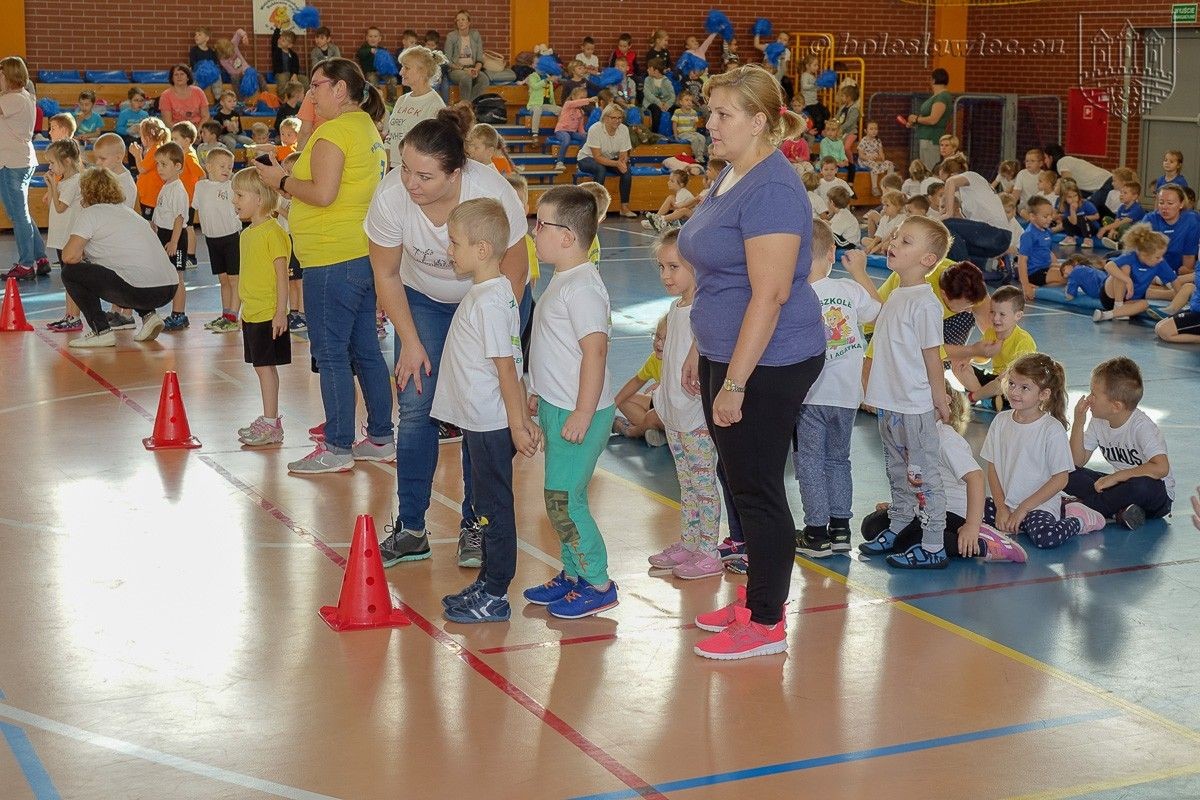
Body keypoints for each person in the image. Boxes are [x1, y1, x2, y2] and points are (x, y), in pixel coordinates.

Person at [676, 65, 823, 660]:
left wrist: (734, 380)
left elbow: (770, 294)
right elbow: (717, 276)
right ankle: (757, 597)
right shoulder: (734, 176)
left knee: (757, 489)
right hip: (727, 352)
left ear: (760, 121)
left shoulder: (773, 190)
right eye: (710, 113)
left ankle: (766, 623)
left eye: (723, 115)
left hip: (770, 360)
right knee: (739, 483)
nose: (709, 124)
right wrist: (701, 349)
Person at [366, 106, 530, 566]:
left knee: (482, 413)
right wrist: (412, 341)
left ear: (457, 174)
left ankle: (476, 527)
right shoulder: (391, 198)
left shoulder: (491, 191)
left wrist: (494, 330)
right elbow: (387, 272)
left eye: (425, 176)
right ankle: (412, 527)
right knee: (417, 407)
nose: (411, 184)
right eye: (405, 170)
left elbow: (515, 270)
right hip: (422, 301)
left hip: (488, 297)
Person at [253, 57, 394, 474]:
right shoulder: (366, 128)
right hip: (360, 252)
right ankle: (381, 437)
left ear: (341, 89)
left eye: (317, 85)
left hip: (332, 258)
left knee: (332, 353)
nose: (311, 92)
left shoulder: (334, 131)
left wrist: (279, 180)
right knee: (365, 349)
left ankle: (337, 446)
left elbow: (324, 192)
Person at [438, 198, 542, 623]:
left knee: (495, 507)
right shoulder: (487, 293)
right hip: (480, 420)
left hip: (492, 423)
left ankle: (496, 592)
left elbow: (506, 365)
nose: (449, 250)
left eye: (454, 242)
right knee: (484, 502)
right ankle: (486, 580)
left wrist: (518, 424)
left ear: (482, 249)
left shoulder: (492, 300)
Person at [519, 186, 619, 617]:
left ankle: (598, 582)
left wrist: (581, 410)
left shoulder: (582, 289)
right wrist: (538, 390)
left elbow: (594, 351)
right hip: (559, 406)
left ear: (567, 236)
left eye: (541, 224)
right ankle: (573, 574)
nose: (533, 231)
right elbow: (556, 347)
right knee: (556, 496)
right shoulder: (564, 280)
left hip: (583, 411)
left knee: (565, 499)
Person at [858, 217, 954, 569]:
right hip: (890, 406)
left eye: (907, 240)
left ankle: (932, 545)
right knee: (897, 471)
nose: (895, 242)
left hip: (914, 407)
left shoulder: (925, 303)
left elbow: (933, 354)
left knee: (923, 476)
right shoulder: (897, 292)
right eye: (896, 236)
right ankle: (899, 524)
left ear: (928, 259)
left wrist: (940, 397)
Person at [860, 381, 1028, 563]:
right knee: (872, 526)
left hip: (952, 514)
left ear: (941, 405)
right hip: (924, 512)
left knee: (906, 541)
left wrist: (972, 526)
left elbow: (976, 478)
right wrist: (902, 507)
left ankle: (982, 542)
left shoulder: (945, 439)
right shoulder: (913, 436)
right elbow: (916, 480)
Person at [792, 234, 881, 557]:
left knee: (810, 463)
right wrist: (860, 272)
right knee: (838, 459)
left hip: (810, 393)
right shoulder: (849, 290)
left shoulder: (796, 294)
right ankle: (841, 529)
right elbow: (876, 313)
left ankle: (816, 532)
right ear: (832, 252)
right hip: (846, 394)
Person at [980, 353, 1107, 548]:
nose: (1015, 392)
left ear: (1044, 394)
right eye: (1012, 384)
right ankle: (1017, 521)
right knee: (968, 512)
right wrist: (1001, 507)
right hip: (1006, 505)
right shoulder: (1000, 421)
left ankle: (1079, 519)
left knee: (1046, 538)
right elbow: (993, 467)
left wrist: (1023, 509)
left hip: (1038, 506)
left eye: (1024, 388)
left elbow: (1060, 479)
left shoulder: (1051, 429)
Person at [60, 167, 176, 347]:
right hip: (169, 288)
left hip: (142, 291)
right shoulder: (130, 213)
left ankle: (101, 331)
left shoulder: (91, 213)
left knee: (70, 272)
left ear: (85, 191)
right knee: (128, 268)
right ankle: (149, 316)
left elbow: (69, 256)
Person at [1068, 357, 1173, 530]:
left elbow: (1161, 468)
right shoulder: (1099, 420)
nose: (1089, 398)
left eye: (1094, 394)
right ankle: (1119, 512)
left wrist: (1115, 477)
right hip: (1120, 487)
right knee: (1065, 471)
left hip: (1156, 495)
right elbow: (1077, 461)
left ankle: (1082, 507)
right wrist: (1078, 422)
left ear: (1116, 406)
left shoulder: (1142, 426)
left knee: (1141, 486)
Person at [228, 167, 292, 446]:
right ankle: (270, 420)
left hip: (268, 313)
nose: (235, 200)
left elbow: (281, 275)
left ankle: (270, 422)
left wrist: (281, 311)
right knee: (261, 367)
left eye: (240, 195)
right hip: (252, 312)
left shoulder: (273, 232)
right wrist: (238, 308)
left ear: (259, 198)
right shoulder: (246, 234)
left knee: (265, 368)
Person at [0, 56, 50, 281]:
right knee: (22, 214)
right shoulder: (24, 96)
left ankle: (26, 263)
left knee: (18, 215)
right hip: (19, 160)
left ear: (8, 76)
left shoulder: (12, 99)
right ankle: (40, 257)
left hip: (12, 163)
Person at [951, 285, 1036, 412]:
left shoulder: (1023, 341)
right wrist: (970, 358)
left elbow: (1016, 378)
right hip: (995, 379)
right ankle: (988, 399)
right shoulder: (991, 332)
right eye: (992, 312)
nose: (996, 318)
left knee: (1004, 382)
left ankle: (976, 397)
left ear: (1018, 315)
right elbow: (984, 357)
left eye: (1002, 314)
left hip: (1013, 384)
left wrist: (972, 396)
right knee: (959, 364)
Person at [193, 147, 242, 332]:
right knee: (223, 279)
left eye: (230, 167)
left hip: (231, 238)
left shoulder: (231, 186)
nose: (227, 170)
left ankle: (233, 317)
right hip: (212, 240)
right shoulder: (201, 186)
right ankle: (225, 315)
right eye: (222, 166)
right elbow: (196, 207)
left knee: (234, 279)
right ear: (208, 166)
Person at [1093, 224, 1182, 323]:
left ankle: (1108, 314)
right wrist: (1127, 280)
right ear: (1143, 254)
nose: (1161, 259)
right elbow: (1108, 266)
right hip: (1111, 296)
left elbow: (1175, 281)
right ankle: (1118, 305)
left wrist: (1180, 300)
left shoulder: (1160, 263)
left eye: (1162, 256)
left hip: (1131, 300)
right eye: (1157, 257)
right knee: (1124, 267)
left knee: (1145, 304)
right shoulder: (1130, 256)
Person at [938, 154, 1011, 267]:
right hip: (990, 239)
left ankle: (964, 269)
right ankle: (989, 264)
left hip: (997, 234)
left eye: (944, 181)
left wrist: (948, 213)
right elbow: (966, 228)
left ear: (952, 174)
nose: (945, 186)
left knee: (945, 225)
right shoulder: (968, 193)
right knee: (950, 244)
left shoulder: (971, 176)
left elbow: (950, 182)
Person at [385, 46, 447, 165]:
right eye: (402, 67)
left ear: (423, 71)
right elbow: (391, 136)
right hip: (394, 167)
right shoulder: (402, 99)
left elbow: (433, 147)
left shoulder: (435, 105)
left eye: (406, 68)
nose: (401, 72)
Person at [611, 316, 667, 445]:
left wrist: (663, 386)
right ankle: (659, 433)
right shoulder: (655, 359)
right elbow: (637, 381)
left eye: (666, 339)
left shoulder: (682, 362)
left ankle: (629, 430)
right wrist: (613, 405)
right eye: (657, 337)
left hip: (676, 414)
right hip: (660, 407)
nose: (659, 343)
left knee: (651, 416)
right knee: (624, 399)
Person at [152, 143, 190, 330]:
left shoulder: (177, 190)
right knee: (167, 275)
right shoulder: (166, 187)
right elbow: (161, 211)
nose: (159, 169)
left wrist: (174, 241)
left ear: (177, 166)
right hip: (164, 234)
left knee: (178, 276)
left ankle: (179, 314)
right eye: (157, 164)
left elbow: (179, 218)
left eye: (164, 164)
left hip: (175, 236)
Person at [578, 105, 636, 218]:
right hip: (587, 158)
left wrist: (623, 162)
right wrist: (617, 163)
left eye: (619, 118)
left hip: (610, 159)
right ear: (605, 118)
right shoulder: (595, 129)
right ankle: (596, 209)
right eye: (613, 118)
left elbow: (624, 154)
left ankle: (624, 207)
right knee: (600, 169)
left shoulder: (623, 129)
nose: (617, 121)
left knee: (627, 171)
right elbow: (597, 157)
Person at [1142, 185, 1198, 278]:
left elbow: (1188, 256)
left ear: (1181, 204)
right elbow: (1141, 253)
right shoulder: (1149, 219)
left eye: (1170, 203)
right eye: (1161, 202)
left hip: (1177, 272)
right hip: (1152, 269)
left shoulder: (1191, 220)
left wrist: (1184, 274)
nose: (1164, 207)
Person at [1017, 197, 1063, 300]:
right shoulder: (1029, 235)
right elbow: (1022, 261)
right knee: (1065, 277)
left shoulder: (1045, 230)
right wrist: (1025, 285)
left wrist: (1057, 265)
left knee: (1067, 271)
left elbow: (1048, 251)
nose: (1050, 218)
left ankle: (1040, 288)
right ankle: (1035, 289)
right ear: (1033, 217)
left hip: (1045, 268)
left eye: (1051, 215)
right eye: (1045, 216)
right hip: (1034, 273)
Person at [907, 68, 953, 169]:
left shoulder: (942, 97)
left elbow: (933, 119)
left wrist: (916, 119)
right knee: (925, 169)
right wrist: (915, 121)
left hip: (931, 139)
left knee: (930, 169)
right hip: (926, 138)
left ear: (933, 80)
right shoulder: (937, 96)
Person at [445, 10, 489, 102]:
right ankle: (465, 107)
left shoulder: (475, 35)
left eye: (463, 19)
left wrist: (476, 70)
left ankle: (469, 105)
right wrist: (464, 69)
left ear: (469, 22)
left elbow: (479, 59)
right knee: (466, 78)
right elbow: (447, 60)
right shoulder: (451, 36)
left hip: (473, 68)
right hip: (457, 69)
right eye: (458, 20)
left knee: (484, 80)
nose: (460, 22)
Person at [551, 86, 595, 171]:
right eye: (581, 98)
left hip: (572, 132)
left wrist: (585, 134)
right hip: (561, 131)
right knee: (566, 139)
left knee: (585, 137)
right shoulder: (568, 104)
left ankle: (580, 161)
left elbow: (580, 128)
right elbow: (576, 103)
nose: (583, 100)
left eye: (584, 98)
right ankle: (559, 162)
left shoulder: (581, 112)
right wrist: (589, 100)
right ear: (573, 97)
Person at [270, 25, 303, 93]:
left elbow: (295, 66)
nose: (280, 41)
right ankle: (283, 100)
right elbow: (274, 39)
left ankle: (303, 99)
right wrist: (278, 28)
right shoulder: (276, 51)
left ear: (290, 45)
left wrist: (294, 74)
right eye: (280, 38)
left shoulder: (294, 55)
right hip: (280, 74)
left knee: (304, 79)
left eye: (283, 40)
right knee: (283, 78)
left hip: (291, 75)